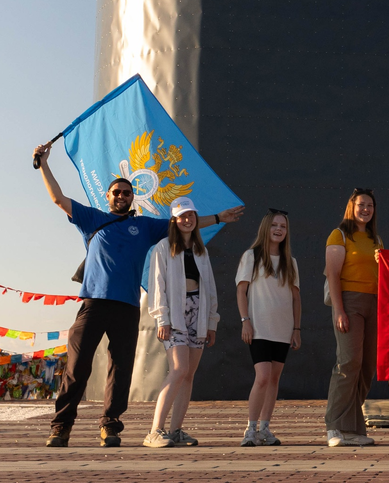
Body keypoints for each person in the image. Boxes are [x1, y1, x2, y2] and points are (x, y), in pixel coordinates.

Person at [33, 142, 242, 448]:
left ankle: (111, 426)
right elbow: (57, 198)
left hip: (127, 307)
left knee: (121, 370)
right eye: (116, 192)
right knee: (78, 368)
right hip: (93, 303)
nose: (121, 196)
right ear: (108, 197)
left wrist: (220, 218)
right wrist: (44, 164)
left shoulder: (143, 226)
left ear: (133, 198)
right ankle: (61, 426)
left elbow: (184, 223)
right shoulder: (92, 219)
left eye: (126, 193)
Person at [144, 197, 220, 448]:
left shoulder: (201, 250)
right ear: (174, 221)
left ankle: (176, 430)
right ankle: (155, 431)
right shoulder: (163, 248)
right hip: (174, 314)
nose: (187, 220)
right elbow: (157, 286)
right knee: (178, 369)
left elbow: (209, 287)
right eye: (182, 216)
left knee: (189, 374)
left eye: (191, 215)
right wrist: (162, 318)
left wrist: (211, 322)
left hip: (198, 313)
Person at [236, 209, 302, 446]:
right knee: (262, 377)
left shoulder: (290, 262)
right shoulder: (251, 256)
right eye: (274, 225)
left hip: (283, 330)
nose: (278, 230)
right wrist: (246, 321)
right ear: (266, 228)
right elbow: (241, 291)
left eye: (283, 226)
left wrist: (296, 329)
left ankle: (265, 428)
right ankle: (250, 430)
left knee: (274, 379)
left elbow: (296, 298)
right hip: (259, 329)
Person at [324, 188, 383, 447]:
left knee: (367, 366)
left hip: (375, 304)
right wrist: (339, 310)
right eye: (361, 205)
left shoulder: (375, 239)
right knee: (348, 362)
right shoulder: (339, 235)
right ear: (352, 206)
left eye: (370, 205)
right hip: (350, 302)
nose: (366, 210)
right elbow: (332, 274)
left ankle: (353, 427)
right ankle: (334, 426)